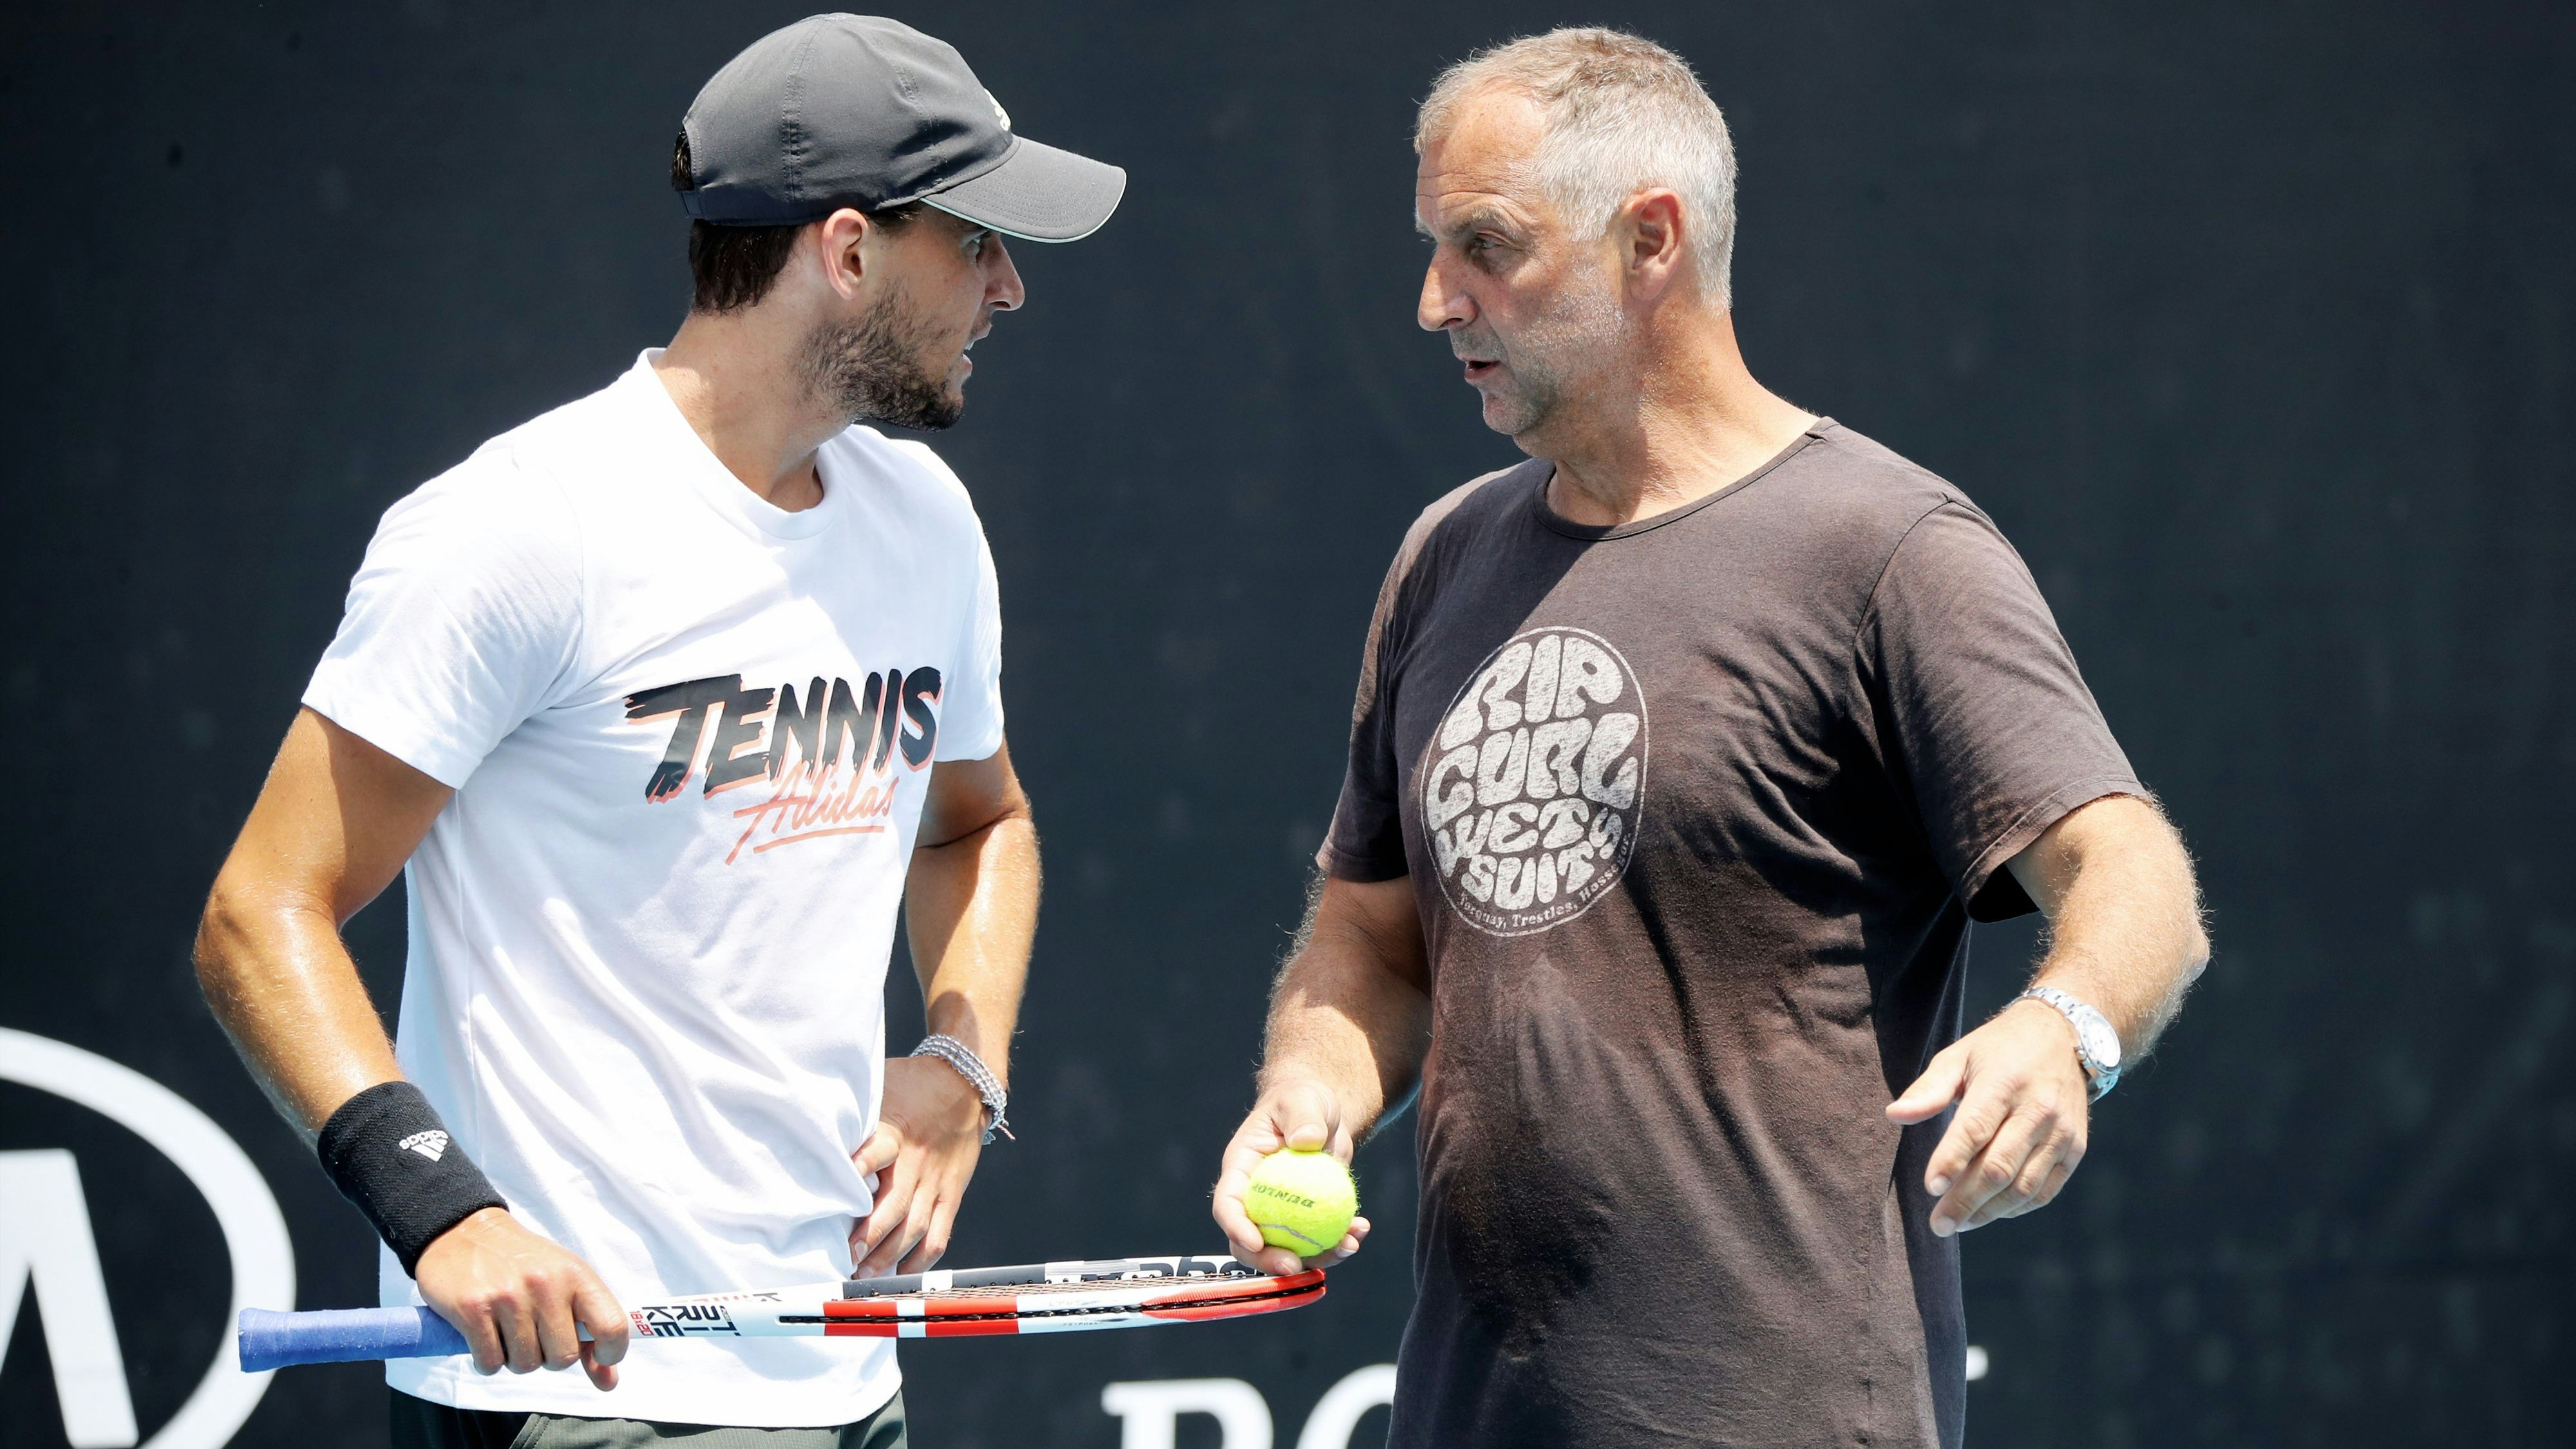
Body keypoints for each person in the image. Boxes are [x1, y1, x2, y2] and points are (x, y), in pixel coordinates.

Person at [1210, 27, 2208, 1449]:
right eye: (1432, 249)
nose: (1436, 300)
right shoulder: (1443, 557)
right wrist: (1308, 1090)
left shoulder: (1887, 550)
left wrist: (2064, 1031)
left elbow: (2132, 872)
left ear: (1648, 241)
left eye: (1484, 246)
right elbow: (1373, 941)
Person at [194, 15, 1122, 1447]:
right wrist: (448, 1217)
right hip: (576, 1399)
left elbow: (979, 824)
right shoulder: (523, 525)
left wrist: (959, 1063)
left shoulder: (926, 523)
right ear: (851, 250)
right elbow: (260, 914)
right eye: (978, 240)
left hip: (845, 1374)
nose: (1008, 287)